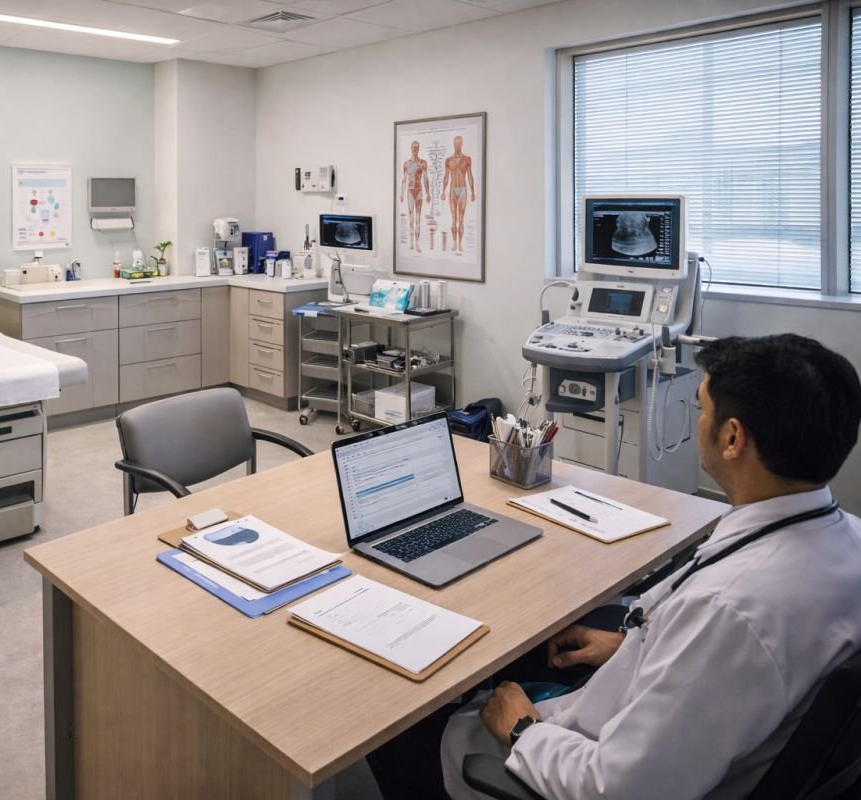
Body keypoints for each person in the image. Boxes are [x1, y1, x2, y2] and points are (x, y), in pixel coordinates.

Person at [367, 333, 861, 800]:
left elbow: (618, 788)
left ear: (733, 438)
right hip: (681, 727)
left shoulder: (726, 613)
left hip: (573, 765)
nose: (697, 423)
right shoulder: (845, 540)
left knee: (393, 723)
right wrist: (634, 646)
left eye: (701, 409)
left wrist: (522, 729)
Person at [441, 136, 476, 254]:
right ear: (453, 144)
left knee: (461, 220)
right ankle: (454, 243)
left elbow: (470, 175)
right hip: (452, 189)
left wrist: (473, 191)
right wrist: (443, 191)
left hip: (463, 190)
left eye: (459, 143)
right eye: (455, 143)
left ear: (462, 144)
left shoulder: (467, 159)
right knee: (453, 219)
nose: (457, 145)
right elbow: (446, 176)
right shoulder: (448, 160)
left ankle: (460, 244)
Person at [400, 140, 430, 253]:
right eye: (413, 147)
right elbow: (404, 179)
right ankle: (411, 243)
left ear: (419, 149)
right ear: (411, 148)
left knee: (418, 219)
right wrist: (401, 193)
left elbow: (425, 178)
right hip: (410, 191)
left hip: (419, 191)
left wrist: (428, 193)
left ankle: (417, 243)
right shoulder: (406, 164)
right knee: (411, 219)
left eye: (416, 147)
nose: (415, 149)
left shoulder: (422, 163)